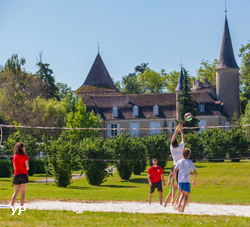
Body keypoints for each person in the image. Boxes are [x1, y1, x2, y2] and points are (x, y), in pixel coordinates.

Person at [173, 148, 197, 213]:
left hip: (180, 180)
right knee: (186, 195)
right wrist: (194, 181)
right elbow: (195, 172)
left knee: (183, 193)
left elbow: (174, 171)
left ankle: (178, 205)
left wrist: (175, 180)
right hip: (186, 180)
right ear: (189, 154)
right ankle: (182, 209)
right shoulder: (190, 162)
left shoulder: (179, 162)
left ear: (182, 154)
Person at [170, 123, 185, 209]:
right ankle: (177, 199)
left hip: (174, 167)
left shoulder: (172, 148)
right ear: (178, 143)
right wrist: (181, 129)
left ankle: (172, 199)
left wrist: (176, 131)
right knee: (179, 185)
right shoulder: (180, 147)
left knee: (174, 184)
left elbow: (173, 139)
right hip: (181, 167)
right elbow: (183, 138)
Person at [11, 142, 29, 208]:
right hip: (24, 175)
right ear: (22, 148)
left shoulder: (14, 156)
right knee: (23, 192)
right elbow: (27, 167)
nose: (24, 148)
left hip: (16, 175)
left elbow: (14, 168)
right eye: (23, 147)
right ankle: (21, 206)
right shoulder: (25, 156)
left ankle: (12, 206)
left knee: (15, 192)